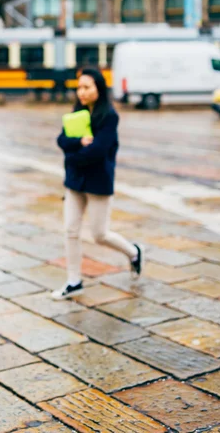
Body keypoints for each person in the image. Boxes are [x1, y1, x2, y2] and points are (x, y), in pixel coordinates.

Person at [52, 68, 143, 300]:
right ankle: (74, 282)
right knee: (70, 231)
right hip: (74, 182)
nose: (81, 92)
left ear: (98, 89)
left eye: (87, 87)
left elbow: (99, 151)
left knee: (99, 234)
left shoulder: (109, 117)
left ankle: (133, 253)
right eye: (79, 87)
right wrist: (78, 142)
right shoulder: (76, 113)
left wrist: (72, 155)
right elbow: (61, 139)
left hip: (98, 182)